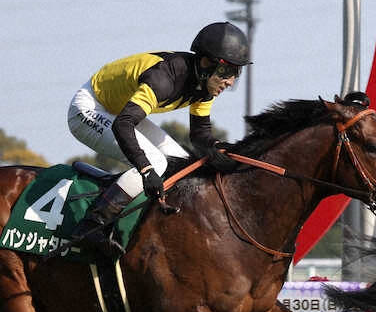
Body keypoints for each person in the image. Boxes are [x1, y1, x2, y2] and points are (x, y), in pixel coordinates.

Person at [66, 21, 249, 258]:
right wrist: (145, 169)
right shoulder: (165, 78)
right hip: (89, 108)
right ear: (206, 63)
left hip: (121, 110)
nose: (230, 81)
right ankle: (90, 227)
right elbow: (123, 125)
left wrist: (230, 154)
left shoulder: (205, 86)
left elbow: (201, 137)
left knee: (181, 162)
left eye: (236, 73)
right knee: (156, 164)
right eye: (226, 72)